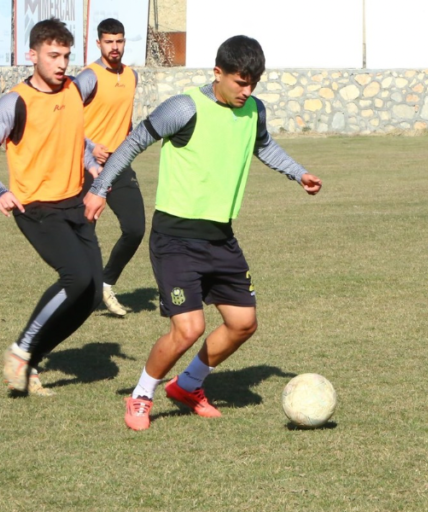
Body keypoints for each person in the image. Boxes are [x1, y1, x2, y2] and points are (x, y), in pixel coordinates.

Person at [84, 35, 323, 431]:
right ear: (218, 73)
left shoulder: (253, 110)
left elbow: (263, 145)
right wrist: (98, 188)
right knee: (189, 329)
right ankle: (142, 395)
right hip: (175, 238)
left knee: (244, 323)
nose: (247, 92)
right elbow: (133, 143)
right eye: (240, 83)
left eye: (253, 84)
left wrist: (298, 173)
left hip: (221, 237)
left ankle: (189, 385)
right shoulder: (184, 107)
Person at [0, 18, 104, 397]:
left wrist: (90, 159)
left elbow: (71, 134)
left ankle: (30, 363)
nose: (61, 64)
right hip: (36, 208)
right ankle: (21, 349)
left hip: (76, 203)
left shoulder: (76, 89)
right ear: (32, 55)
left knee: (91, 295)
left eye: (66, 56)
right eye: (53, 55)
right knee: (76, 277)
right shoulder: (15, 101)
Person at [75, 18, 145, 317]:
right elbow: (64, 117)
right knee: (84, 231)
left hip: (119, 163)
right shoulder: (89, 77)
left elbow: (125, 120)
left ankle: (105, 283)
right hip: (87, 166)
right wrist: (90, 147)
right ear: (99, 43)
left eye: (119, 41)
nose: (114, 47)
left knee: (135, 228)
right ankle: (79, 293)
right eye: (109, 42)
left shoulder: (131, 76)